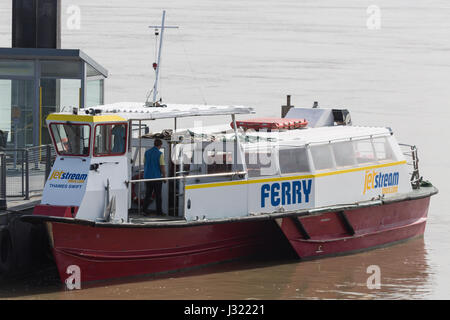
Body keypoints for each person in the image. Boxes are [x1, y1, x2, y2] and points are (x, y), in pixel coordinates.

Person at [143, 139, 166, 216]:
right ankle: (159, 212)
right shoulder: (160, 154)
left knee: (148, 195)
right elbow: (162, 166)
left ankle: (144, 210)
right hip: (156, 177)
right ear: (160, 145)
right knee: (158, 195)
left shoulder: (146, 153)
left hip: (147, 177)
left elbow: (145, 163)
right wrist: (164, 177)